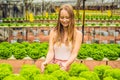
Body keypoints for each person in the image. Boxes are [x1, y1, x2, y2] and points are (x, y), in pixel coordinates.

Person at [41, 4, 82, 72]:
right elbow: (51, 51)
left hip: (69, 66)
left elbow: (74, 54)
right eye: (62, 17)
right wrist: (46, 62)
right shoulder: (53, 32)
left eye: (67, 17)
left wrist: (66, 64)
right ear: (59, 18)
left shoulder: (77, 34)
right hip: (55, 66)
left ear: (72, 18)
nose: (64, 20)